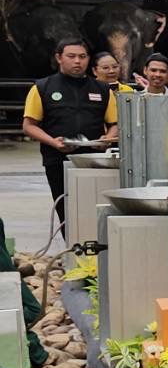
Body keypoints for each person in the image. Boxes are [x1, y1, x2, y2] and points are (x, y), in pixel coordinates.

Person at [22, 38, 116, 240]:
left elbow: (114, 123)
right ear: (59, 58)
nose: (77, 61)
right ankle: (72, 250)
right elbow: (29, 125)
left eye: (82, 56)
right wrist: (53, 142)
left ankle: (97, 250)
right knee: (66, 210)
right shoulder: (42, 87)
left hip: (94, 160)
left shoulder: (103, 89)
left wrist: (107, 138)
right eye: (71, 56)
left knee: (96, 207)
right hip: (57, 159)